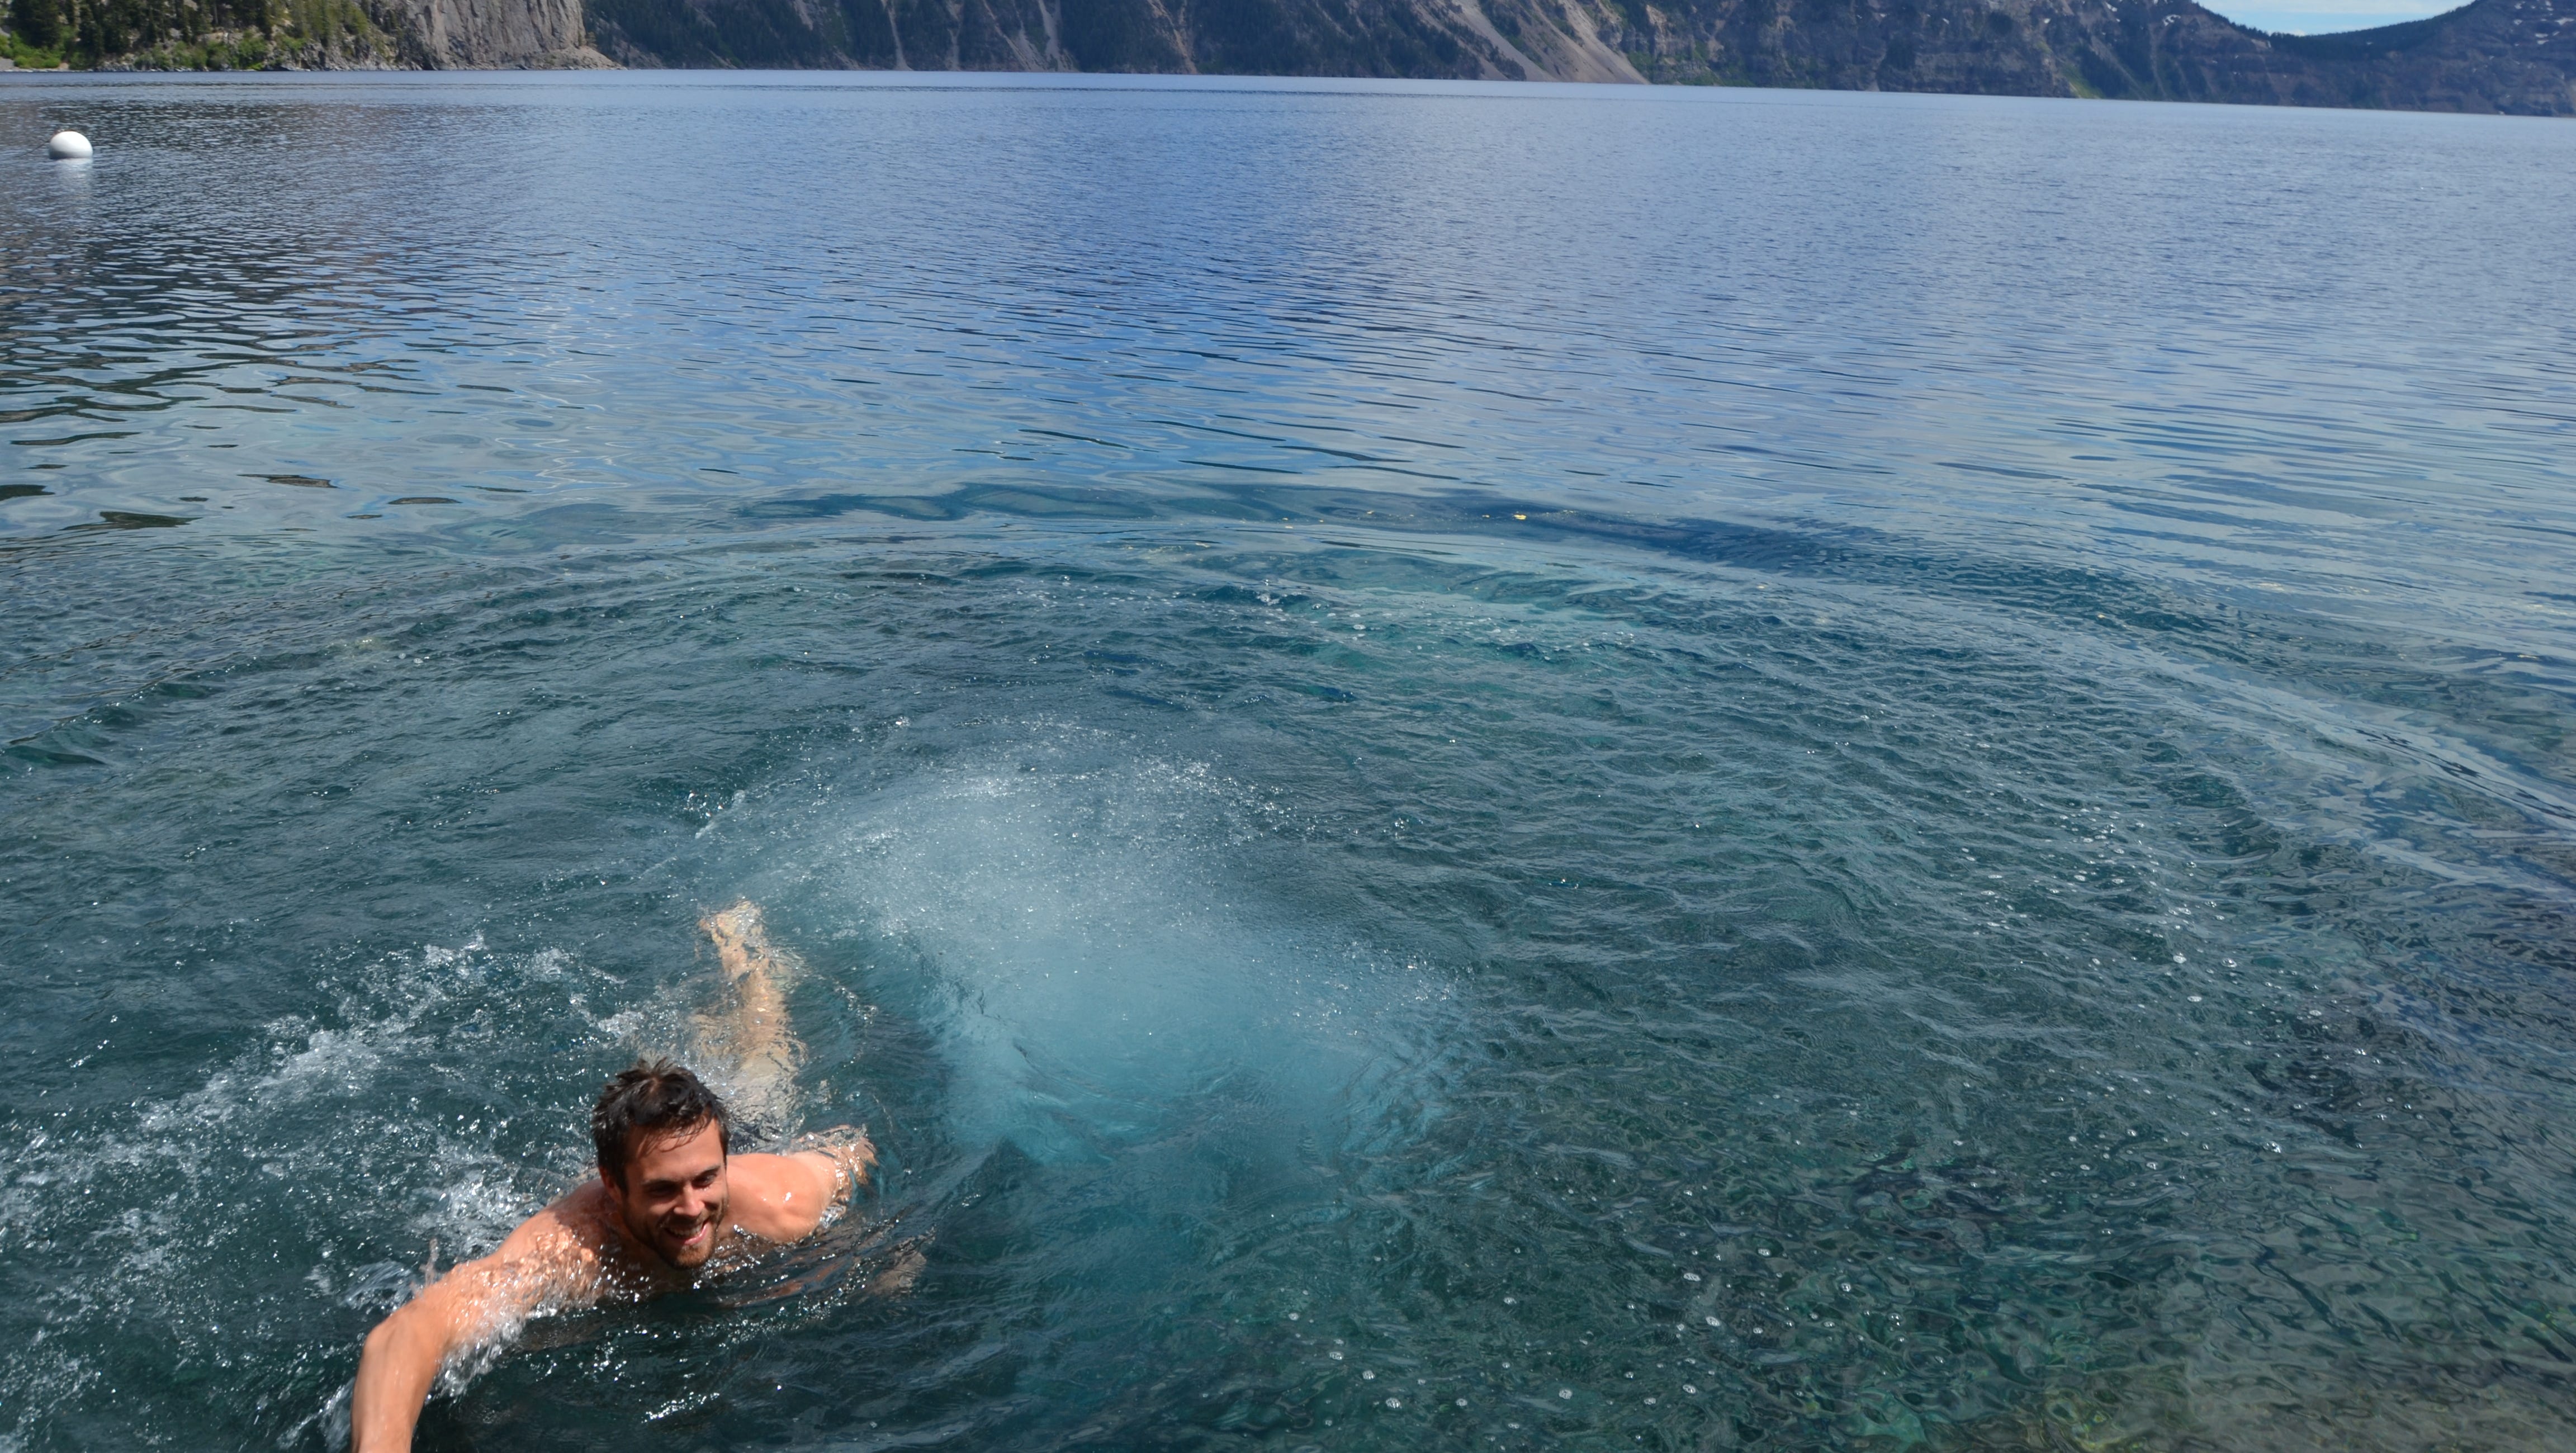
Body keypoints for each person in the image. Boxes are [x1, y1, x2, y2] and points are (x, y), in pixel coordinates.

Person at [351, 903, 883, 1452]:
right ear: (612, 1184)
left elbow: (854, 1154)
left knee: (762, 1053)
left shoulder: (780, 1202)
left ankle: (743, 948)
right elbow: (408, 1333)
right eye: (662, 1189)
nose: (692, 1208)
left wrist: (871, 1257)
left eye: (704, 1181)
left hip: (753, 1135)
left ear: (722, 1167)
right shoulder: (572, 1250)